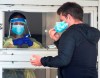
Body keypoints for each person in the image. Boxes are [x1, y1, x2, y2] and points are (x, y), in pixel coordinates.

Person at [30, 2, 100, 78]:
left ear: (69, 17)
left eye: (61, 20)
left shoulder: (70, 33)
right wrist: (58, 40)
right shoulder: (90, 33)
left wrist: (41, 61)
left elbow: (63, 60)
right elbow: (76, 53)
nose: (60, 22)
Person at [3, 12, 43, 78]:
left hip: (28, 75)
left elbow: (42, 54)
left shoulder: (31, 40)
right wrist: (13, 42)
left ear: (25, 25)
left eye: (21, 23)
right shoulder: (4, 40)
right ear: (10, 25)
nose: (19, 25)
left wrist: (32, 44)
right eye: (16, 23)